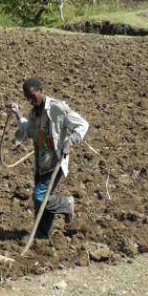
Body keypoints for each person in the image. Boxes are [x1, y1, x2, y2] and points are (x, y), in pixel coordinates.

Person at [8, 77, 89, 241]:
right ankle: (42, 234)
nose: (30, 101)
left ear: (40, 90)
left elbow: (82, 125)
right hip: (41, 163)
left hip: (55, 162)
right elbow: (29, 131)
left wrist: (70, 141)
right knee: (40, 203)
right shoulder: (34, 113)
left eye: (32, 96)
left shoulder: (57, 109)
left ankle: (66, 204)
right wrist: (18, 114)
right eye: (27, 98)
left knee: (39, 197)